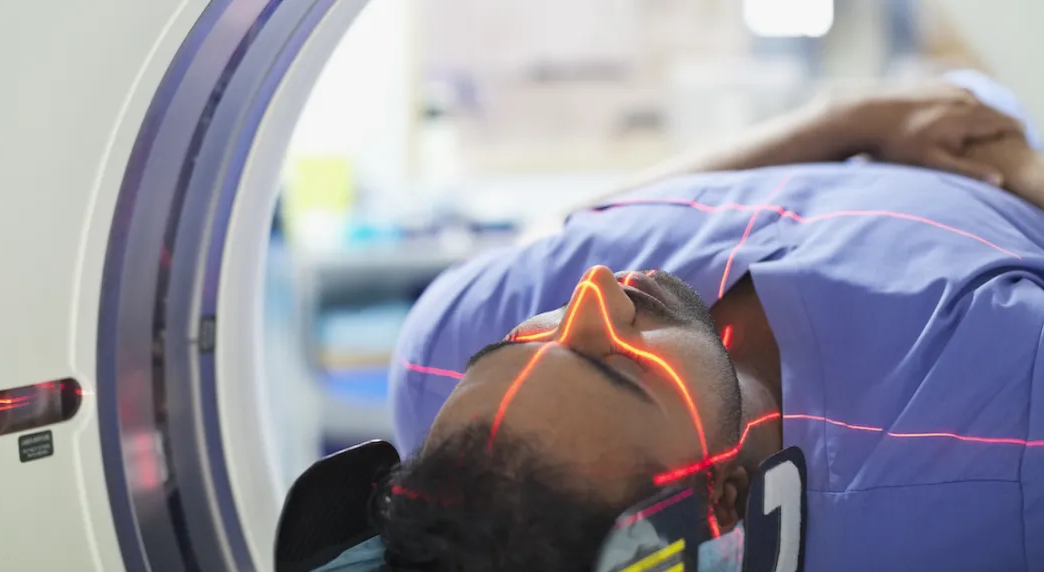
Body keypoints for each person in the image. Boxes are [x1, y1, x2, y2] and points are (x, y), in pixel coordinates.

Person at [375, 71, 1044, 571]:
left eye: (520, 339)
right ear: (724, 501)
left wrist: (848, 121)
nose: (595, 290)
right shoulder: (999, 441)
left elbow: (584, 227)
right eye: (615, 363)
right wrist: (1020, 172)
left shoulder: (439, 357)